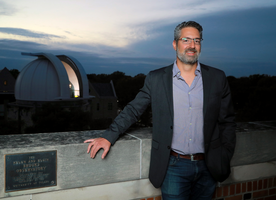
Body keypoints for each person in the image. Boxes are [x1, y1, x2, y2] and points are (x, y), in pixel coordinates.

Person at [84, 21, 236, 200]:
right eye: (186, 40)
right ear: (175, 44)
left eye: (197, 40)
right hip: (173, 167)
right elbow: (133, 110)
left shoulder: (217, 78)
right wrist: (108, 136)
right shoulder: (156, 79)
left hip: (209, 166)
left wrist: (224, 154)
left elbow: (227, 120)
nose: (192, 46)